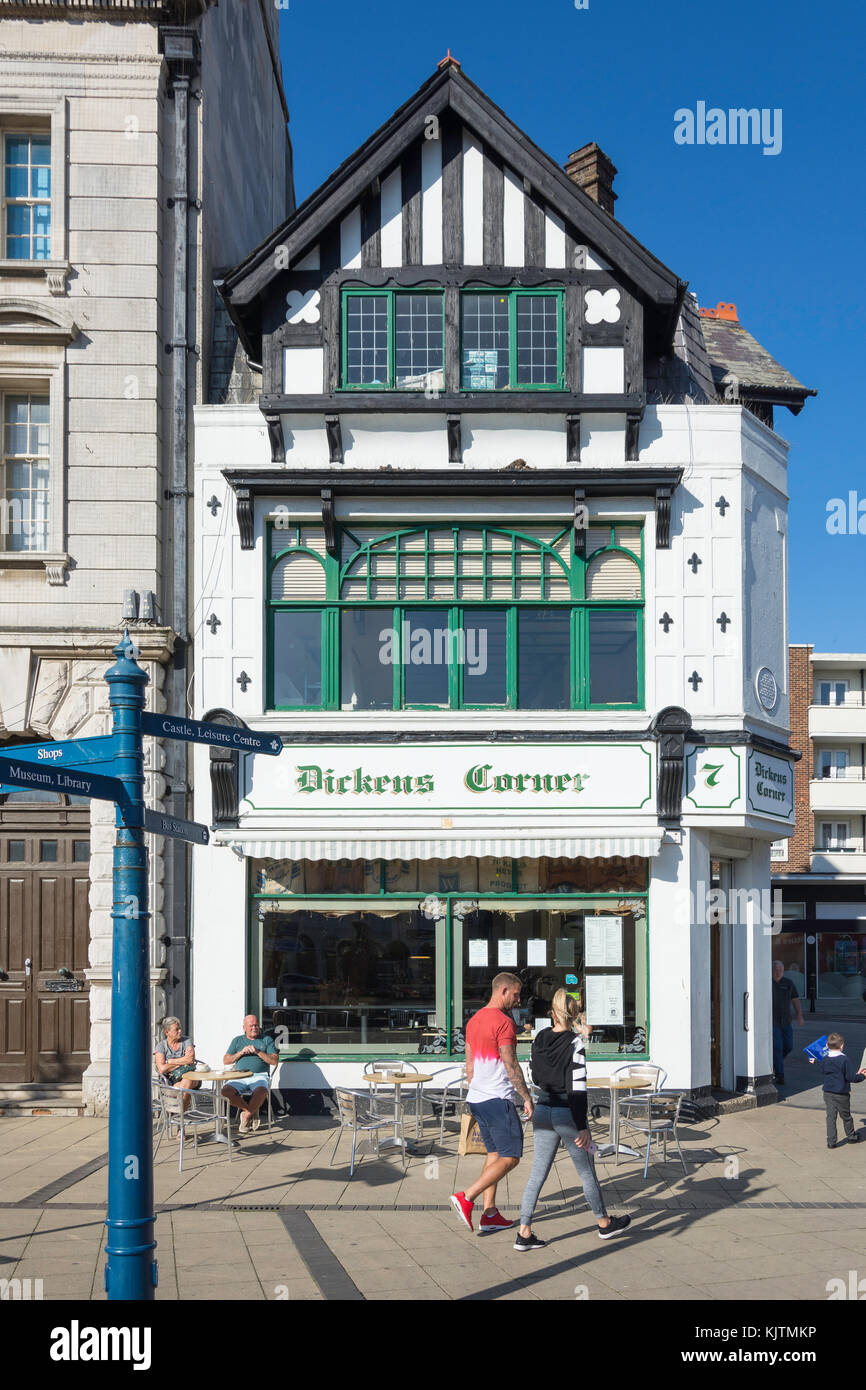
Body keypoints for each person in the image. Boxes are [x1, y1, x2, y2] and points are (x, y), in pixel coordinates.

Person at [514, 993, 631, 1251]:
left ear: (552, 1014)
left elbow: (533, 1073)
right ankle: (603, 1223)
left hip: (543, 1109)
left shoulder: (539, 1038)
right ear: (574, 1015)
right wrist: (582, 1126)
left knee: (537, 1174)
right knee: (586, 1172)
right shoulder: (575, 1044)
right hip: (567, 1113)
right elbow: (577, 1089)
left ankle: (524, 1231)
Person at [451, 972, 533, 1236]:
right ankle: (467, 1196)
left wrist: (476, 1085)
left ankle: (490, 1215)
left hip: (477, 1098)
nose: (518, 1000)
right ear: (504, 991)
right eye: (517, 994)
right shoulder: (503, 1022)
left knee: (495, 1154)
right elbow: (510, 1064)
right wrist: (527, 1097)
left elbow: (470, 1062)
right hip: (498, 1100)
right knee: (512, 1156)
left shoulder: (474, 1020)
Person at [222, 1015, 278, 1134]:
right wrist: (241, 1052)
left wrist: (258, 1052)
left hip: (260, 1075)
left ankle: (246, 1116)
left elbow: (274, 1061)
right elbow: (226, 1060)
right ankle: (252, 1110)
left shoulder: (266, 1039)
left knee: (262, 1091)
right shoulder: (237, 1040)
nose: (254, 1028)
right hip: (239, 1076)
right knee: (225, 1092)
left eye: (256, 1025)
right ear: (244, 1028)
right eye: (251, 1025)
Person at [809, 1031, 863, 1148]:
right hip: (841, 1093)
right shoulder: (845, 1060)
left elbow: (823, 1070)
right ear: (842, 1045)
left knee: (830, 1117)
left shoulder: (824, 1059)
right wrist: (862, 1076)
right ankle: (851, 1136)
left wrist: (815, 1060)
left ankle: (831, 1141)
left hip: (828, 1092)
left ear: (827, 1046)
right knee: (846, 1116)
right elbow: (851, 1077)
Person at [154, 1017, 201, 1115]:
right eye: (176, 1029)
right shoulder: (161, 1046)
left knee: (187, 1081)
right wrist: (183, 1061)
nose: (180, 1031)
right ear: (167, 1032)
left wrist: (170, 1061)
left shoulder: (186, 1041)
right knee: (182, 1087)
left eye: (180, 1028)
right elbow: (162, 1069)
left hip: (192, 1077)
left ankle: (178, 1119)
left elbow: (190, 1059)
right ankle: (181, 1121)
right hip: (172, 1080)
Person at [771, 960, 803, 1085]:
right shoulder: (767, 983)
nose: (778, 972)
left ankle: (775, 1063)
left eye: (780, 970)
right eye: (776, 970)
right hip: (772, 1022)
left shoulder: (788, 983)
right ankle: (780, 1075)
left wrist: (799, 1015)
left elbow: (795, 1000)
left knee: (788, 1046)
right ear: (772, 970)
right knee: (778, 1048)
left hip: (786, 1021)